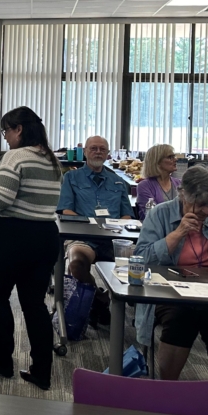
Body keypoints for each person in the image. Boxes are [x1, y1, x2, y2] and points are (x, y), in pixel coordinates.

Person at [0, 107, 63, 389]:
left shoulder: (15, 156)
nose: (6, 138)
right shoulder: (51, 159)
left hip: (14, 236)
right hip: (46, 236)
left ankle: (4, 360)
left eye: (6, 131)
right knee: (34, 305)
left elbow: (0, 199)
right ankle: (42, 371)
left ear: (19, 130)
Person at [135, 166, 208, 381]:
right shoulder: (160, 213)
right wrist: (178, 233)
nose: (206, 211)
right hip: (168, 290)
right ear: (183, 194)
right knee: (181, 317)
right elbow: (142, 258)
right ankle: (168, 389)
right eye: (200, 204)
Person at [57, 135, 134, 324]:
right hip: (84, 238)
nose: (98, 152)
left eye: (102, 149)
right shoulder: (71, 177)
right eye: (93, 148)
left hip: (113, 239)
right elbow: (66, 210)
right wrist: (93, 225)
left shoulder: (118, 182)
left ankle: (133, 308)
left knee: (138, 264)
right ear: (85, 152)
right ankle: (100, 299)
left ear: (108, 154)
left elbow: (127, 215)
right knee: (76, 263)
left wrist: (116, 229)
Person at [136, 144, 181, 220]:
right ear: (157, 162)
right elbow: (151, 214)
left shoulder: (180, 183)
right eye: (170, 157)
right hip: (155, 230)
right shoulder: (144, 186)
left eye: (174, 156)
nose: (175, 159)